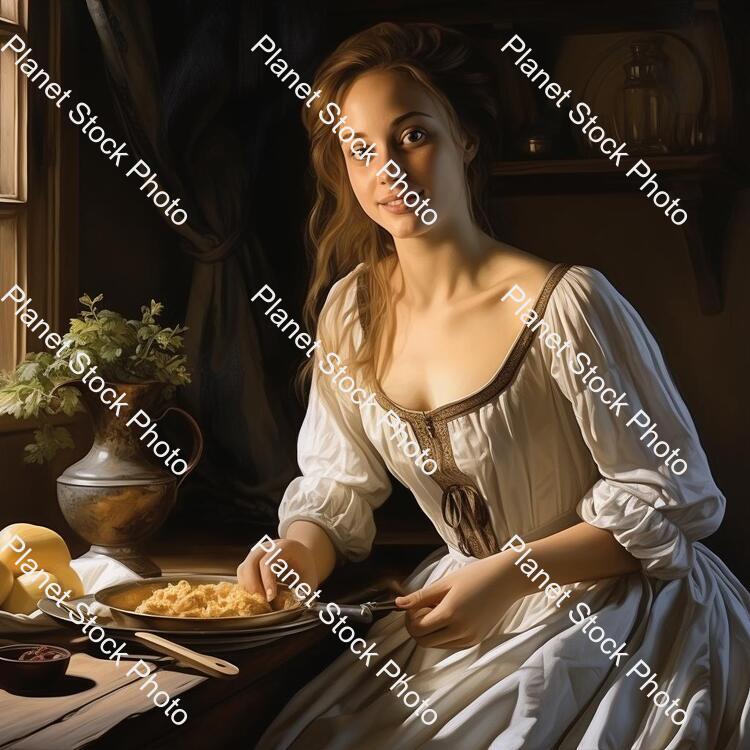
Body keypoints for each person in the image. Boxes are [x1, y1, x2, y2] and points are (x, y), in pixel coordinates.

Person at [239, 22, 750, 749]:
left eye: (413, 135)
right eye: (360, 149)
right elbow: (337, 489)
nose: (387, 167)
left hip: (624, 615)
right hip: (462, 604)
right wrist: (296, 551)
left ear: (466, 139)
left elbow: (675, 496)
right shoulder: (350, 313)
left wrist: (515, 573)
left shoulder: (567, 304)